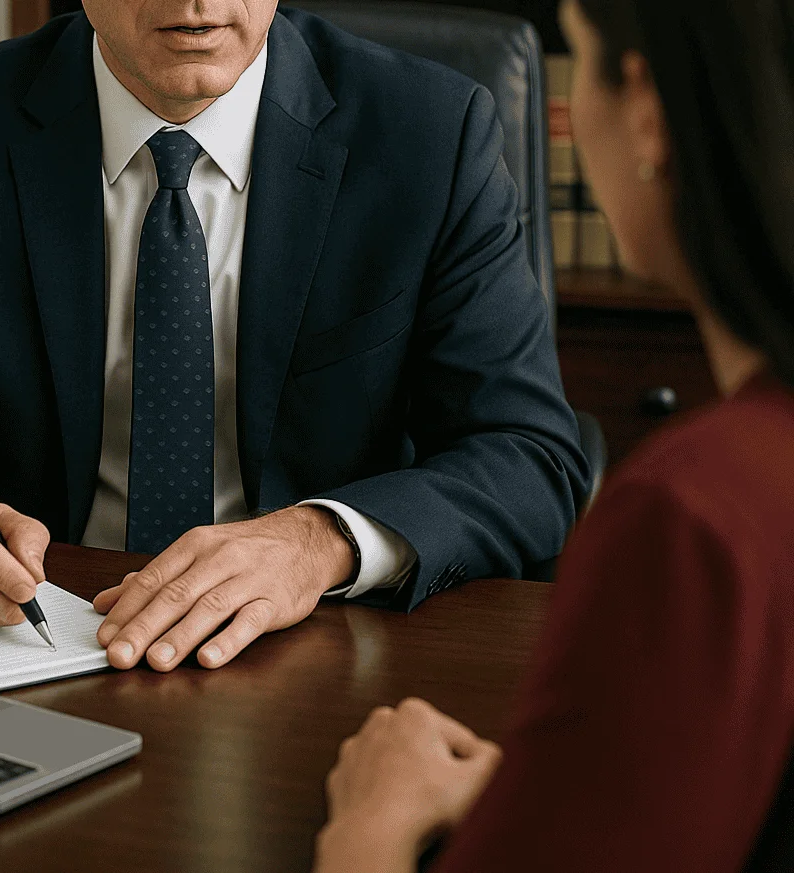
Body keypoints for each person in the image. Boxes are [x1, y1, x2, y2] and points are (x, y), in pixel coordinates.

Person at [0, 2, 588, 672]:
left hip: (317, 655)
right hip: (30, 648)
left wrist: (321, 539)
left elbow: (528, 452)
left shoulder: (429, 135)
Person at [315, 0, 794, 869]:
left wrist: (372, 822)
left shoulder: (690, 516)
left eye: (584, 59)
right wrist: (570, 781)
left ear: (645, 112)